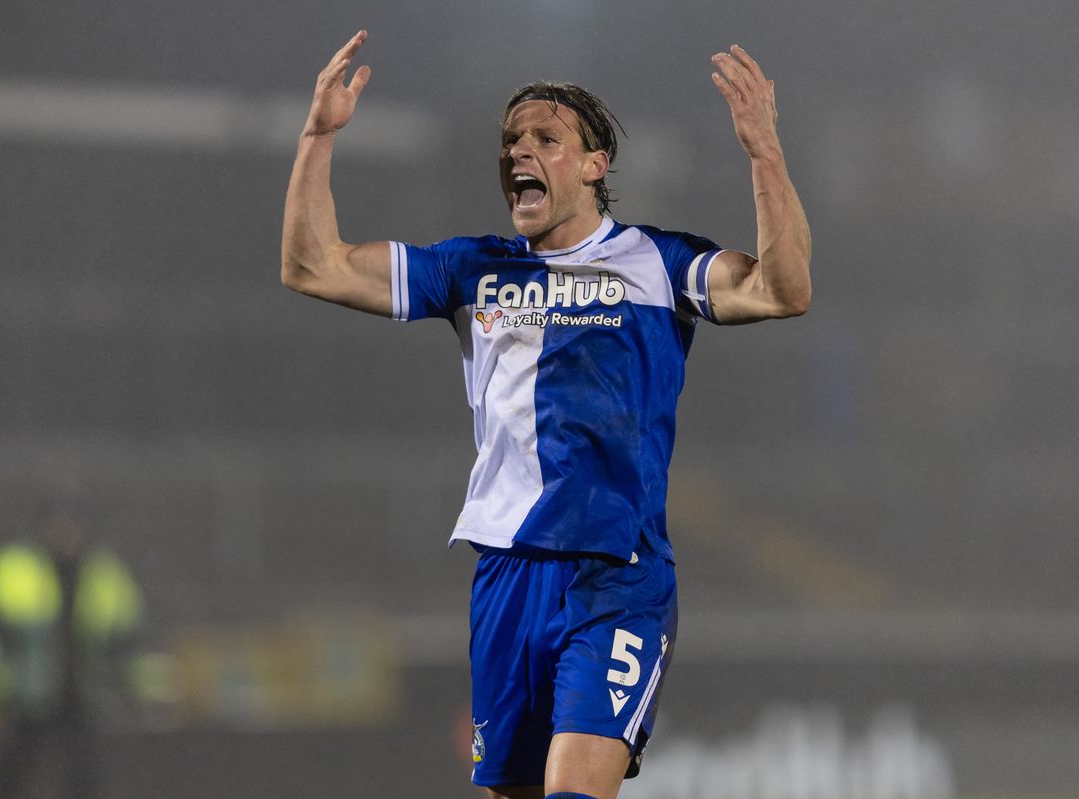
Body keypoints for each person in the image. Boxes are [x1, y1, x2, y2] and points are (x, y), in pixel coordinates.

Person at [281, 29, 811, 799]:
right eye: (509, 140)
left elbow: (782, 290)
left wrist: (764, 152)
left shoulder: (658, 264)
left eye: (545, 138)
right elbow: (311, 265)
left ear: (596, 166)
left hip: (615, 576)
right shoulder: (471, 270)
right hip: (504, 573)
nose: (518, 151)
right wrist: (318, 135)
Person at [0, 508, 143, 799]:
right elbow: (5, 625)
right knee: (18, 761)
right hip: (34, 686)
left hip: (81, 686)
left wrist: (115, 673)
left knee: (82, 766)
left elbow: (122, 626)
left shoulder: (99, 570)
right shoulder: (23, 565)